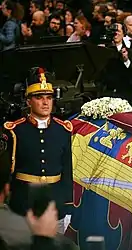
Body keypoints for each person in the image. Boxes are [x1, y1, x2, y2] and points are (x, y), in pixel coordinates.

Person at [3, 67, 73, 234]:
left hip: (54, 205)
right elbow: (7, 173)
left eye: (49, 98)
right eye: (39, 98)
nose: (45, 102)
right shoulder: (15, 131)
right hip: (22, 205)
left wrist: (67, 207)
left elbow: (67, 171)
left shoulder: (63, 130)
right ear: (28, 102)